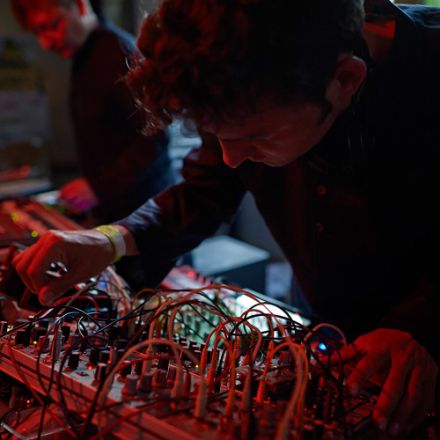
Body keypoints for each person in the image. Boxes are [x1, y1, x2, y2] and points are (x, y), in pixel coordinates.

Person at [12, 0, 440, 437]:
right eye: (217, 137)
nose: (231, 159)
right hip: (334, 331)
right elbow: (205, 189)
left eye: (257, 137)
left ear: (345, 80)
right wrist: (109, 240)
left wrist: (418, 327)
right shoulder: (242, 85)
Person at [10, 0, 175, 223]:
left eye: (52, 26)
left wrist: (98, 187)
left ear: (79, 6)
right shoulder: (83, 54)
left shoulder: (119, 53)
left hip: (148, 215)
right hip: (117, 214)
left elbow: (155, 139)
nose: (46, 43)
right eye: (38, 33)